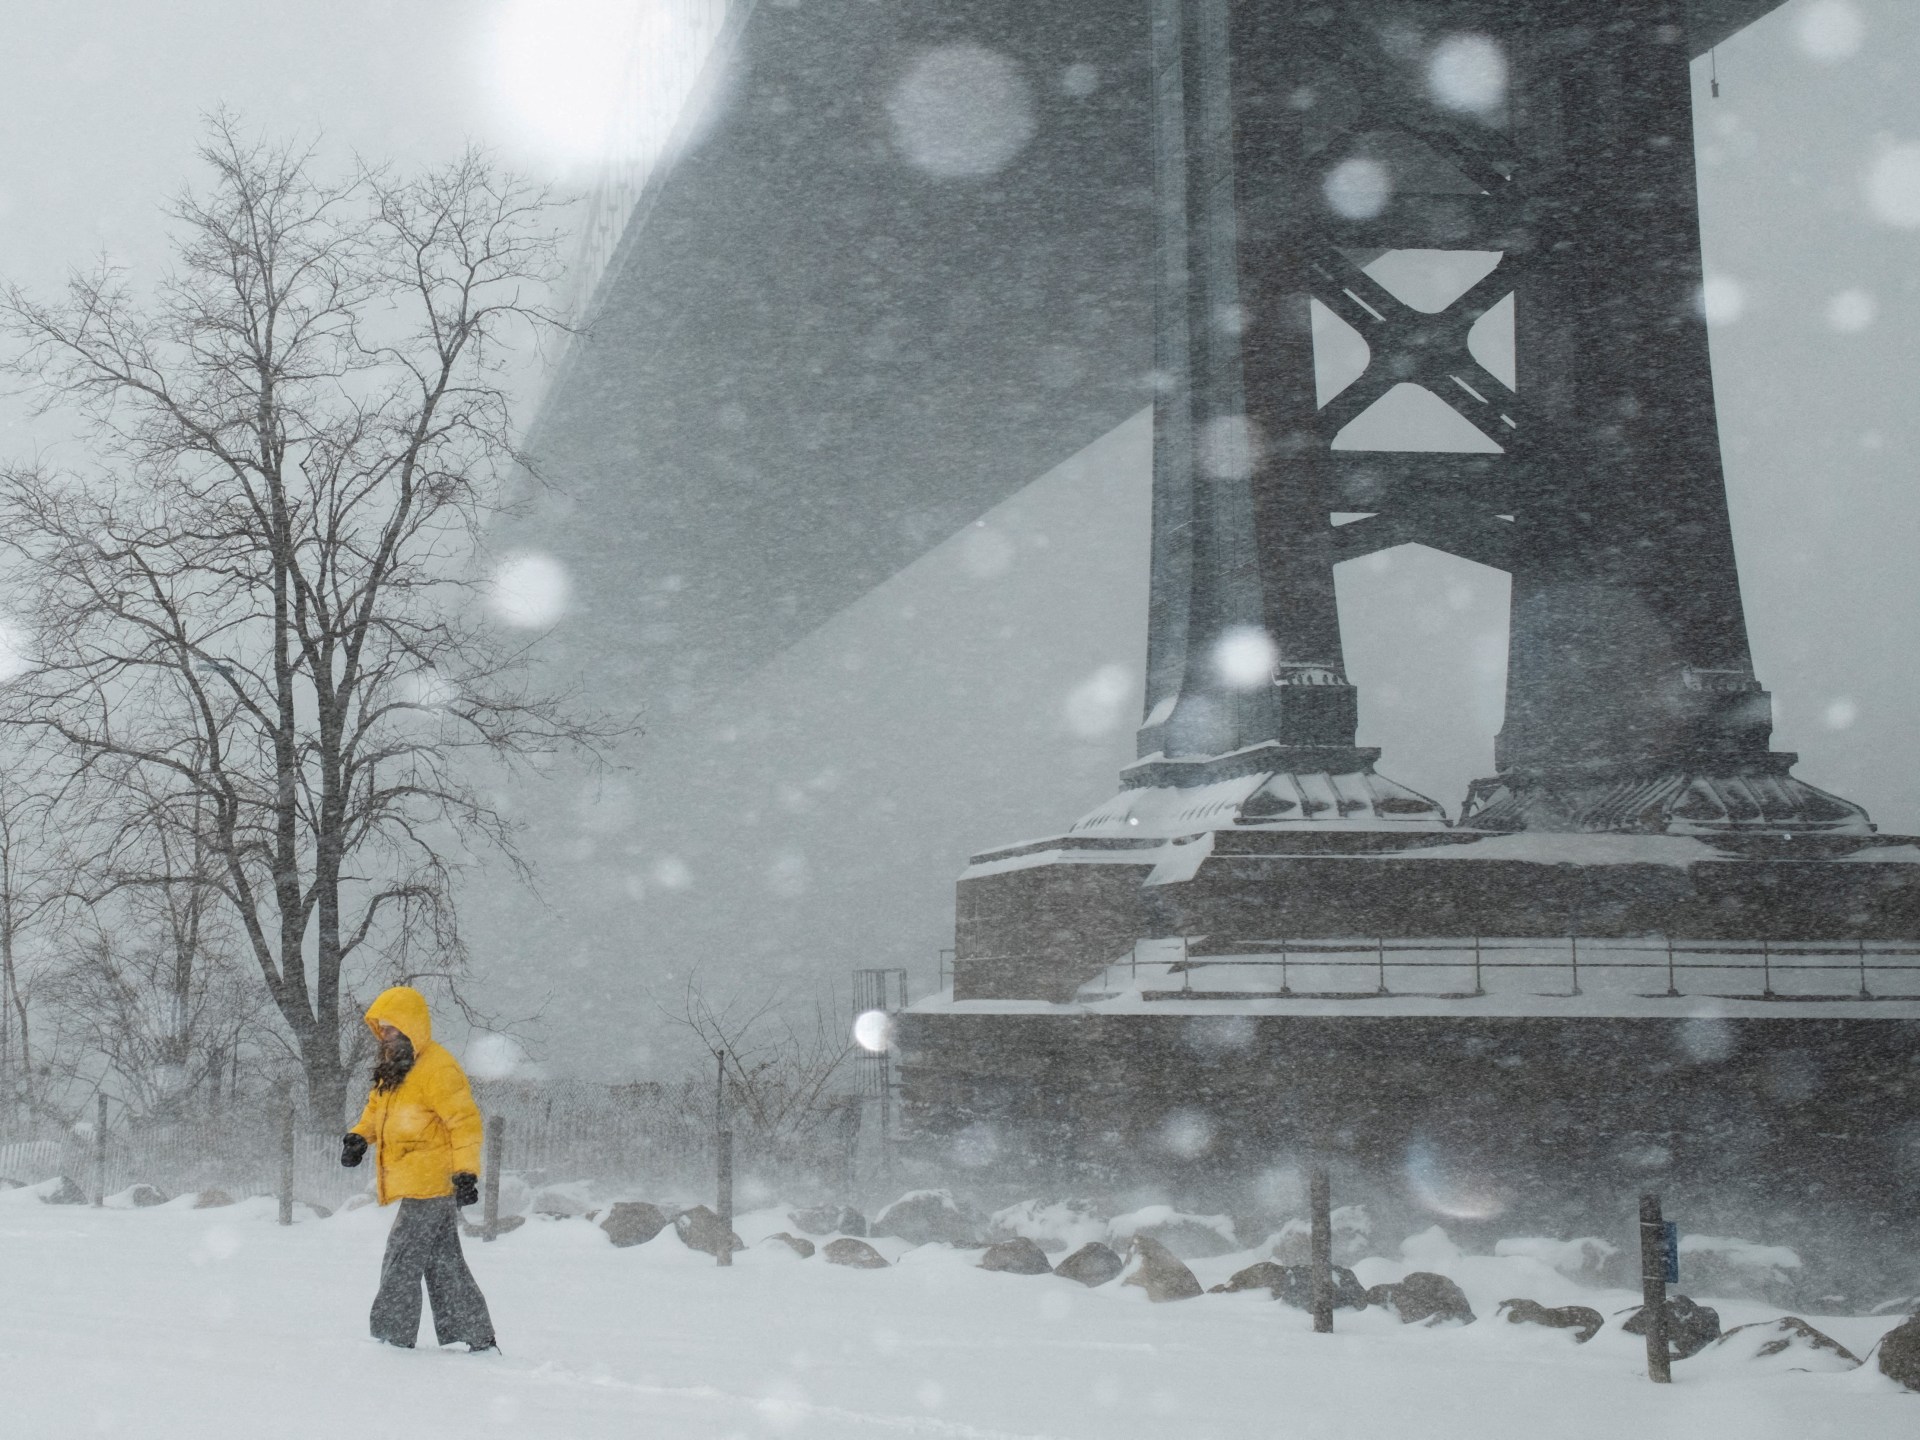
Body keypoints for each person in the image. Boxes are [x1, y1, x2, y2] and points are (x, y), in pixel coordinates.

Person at [340, 985, 497, 1352]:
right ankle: (476, 1335)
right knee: (444, 1262)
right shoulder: (395, 1068)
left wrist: (466, 1173)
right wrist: (359, 1137)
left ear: (410, 1026)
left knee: (402, 1255)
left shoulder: (438, 1068)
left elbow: (464, 1124)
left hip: (432, 1181)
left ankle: (391, 1337)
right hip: (418, 1181)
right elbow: (377, 1110)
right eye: (381, 1028)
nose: (384, 1035)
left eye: (391, 1027)